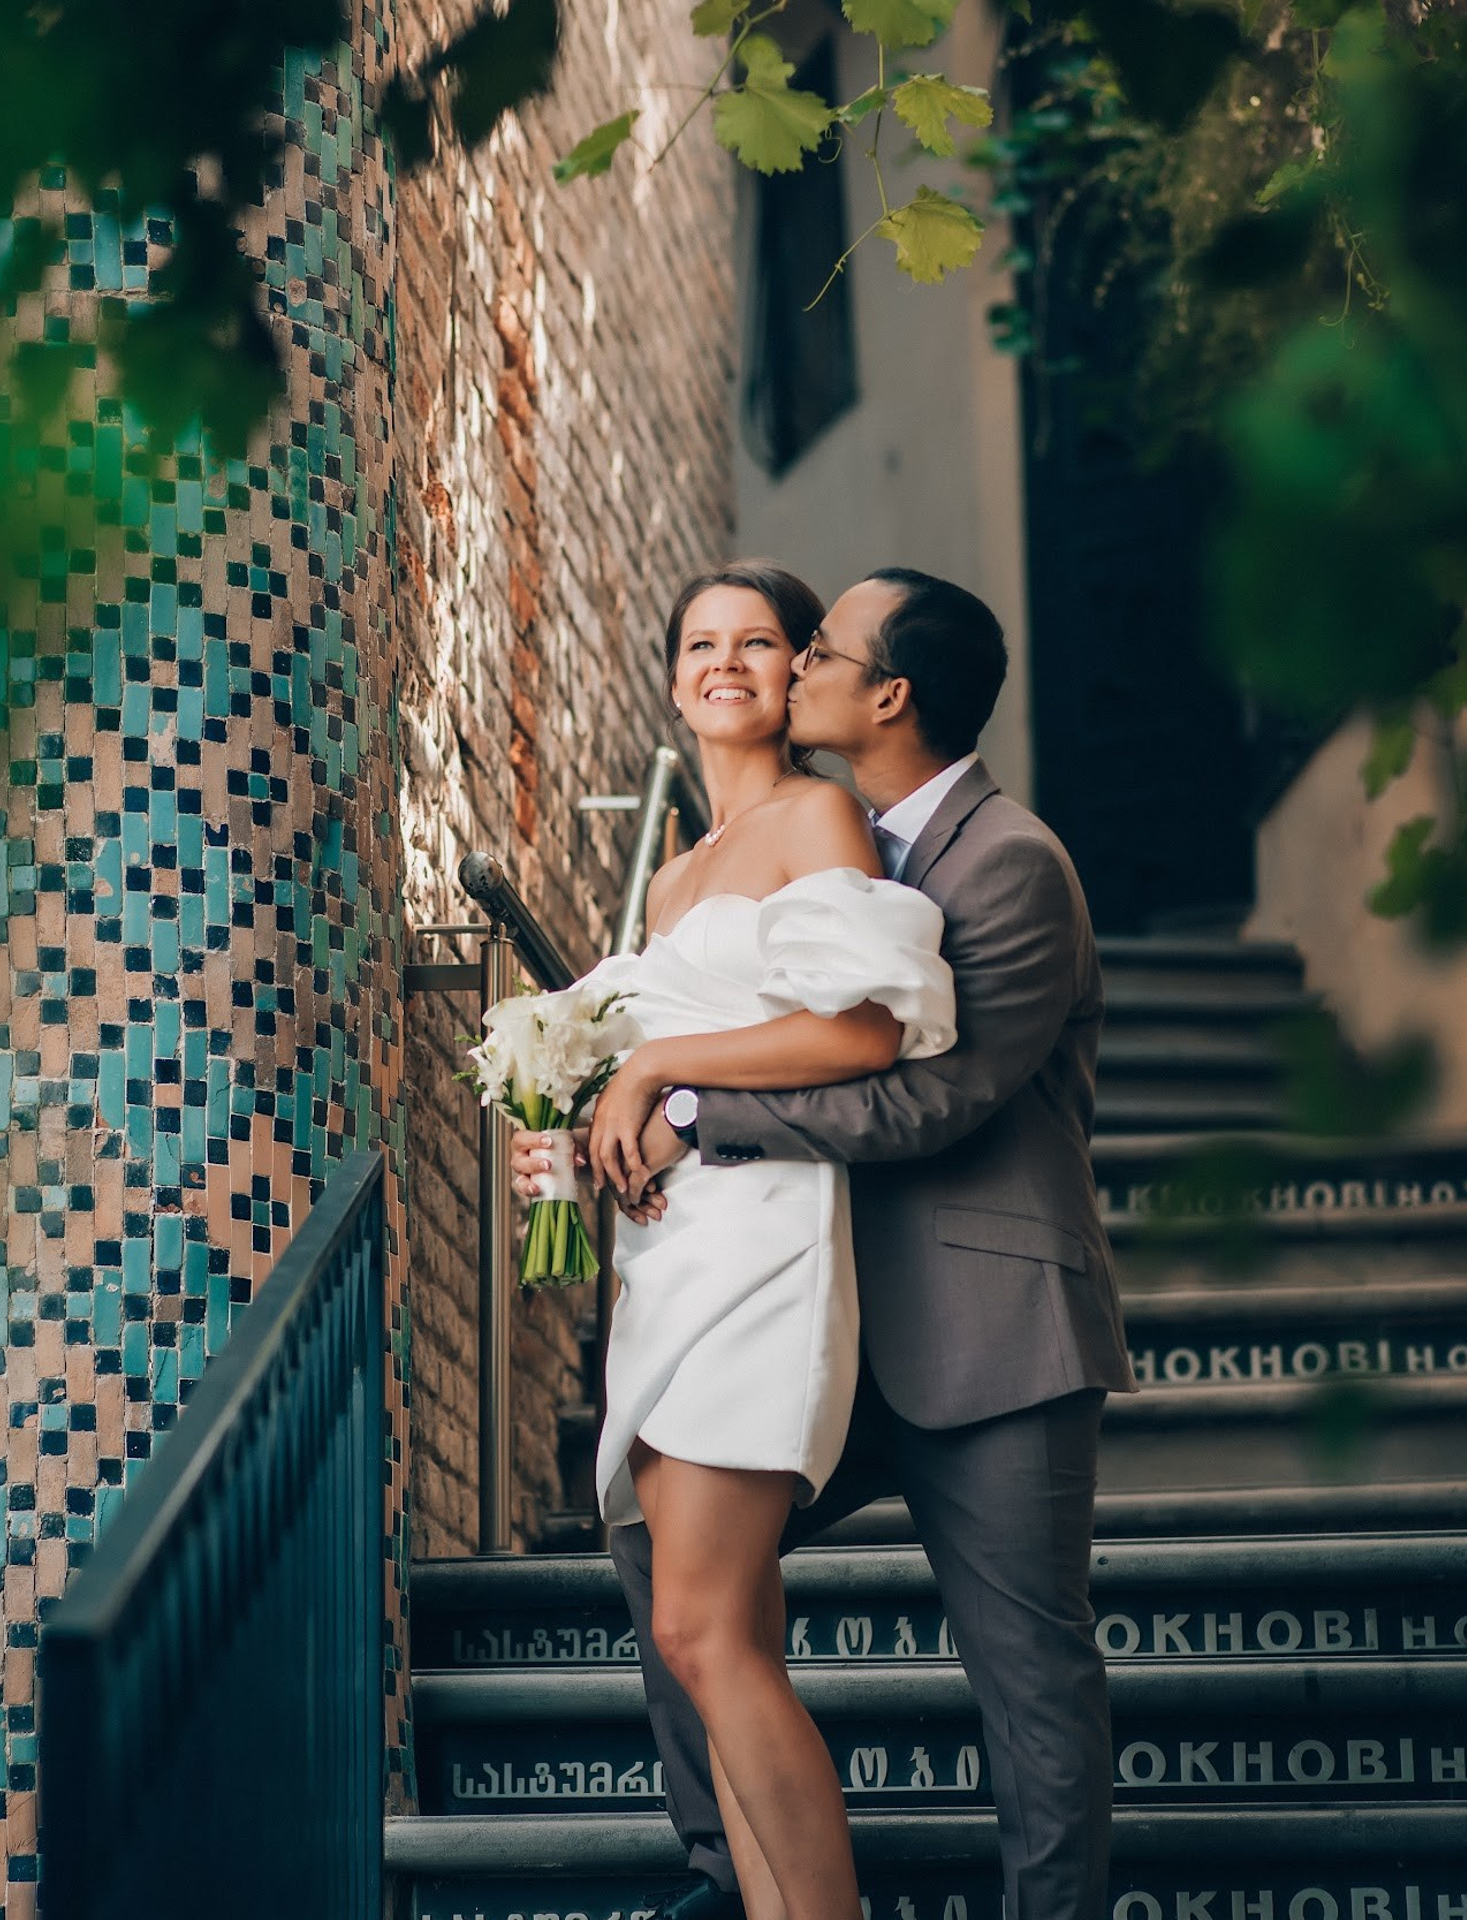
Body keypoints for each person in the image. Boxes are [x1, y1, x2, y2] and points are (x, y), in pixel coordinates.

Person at [515, 567, 1136, 1920]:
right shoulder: (809, 840)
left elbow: (931, 1096)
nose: (788, 670)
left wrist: (690, 1110)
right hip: (823, 1302)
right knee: (669, 1564)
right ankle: (726, 1874)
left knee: (1029, 1674)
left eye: (812, 651)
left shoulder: (1011, 862)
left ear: (889, 693)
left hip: (983, 1335)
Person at [553, 561, 960, 1920]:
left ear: (799, 672)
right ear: (673, 679)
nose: (725, 662)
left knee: (701, 1628)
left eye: (760, 641)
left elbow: (863, 1031)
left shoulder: (816, 815)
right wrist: (585, 1126)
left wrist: (655, 1064)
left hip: (768, 1246)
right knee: (709, 1640)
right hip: (667, 1258)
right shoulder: (673, 877)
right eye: (699, 644)